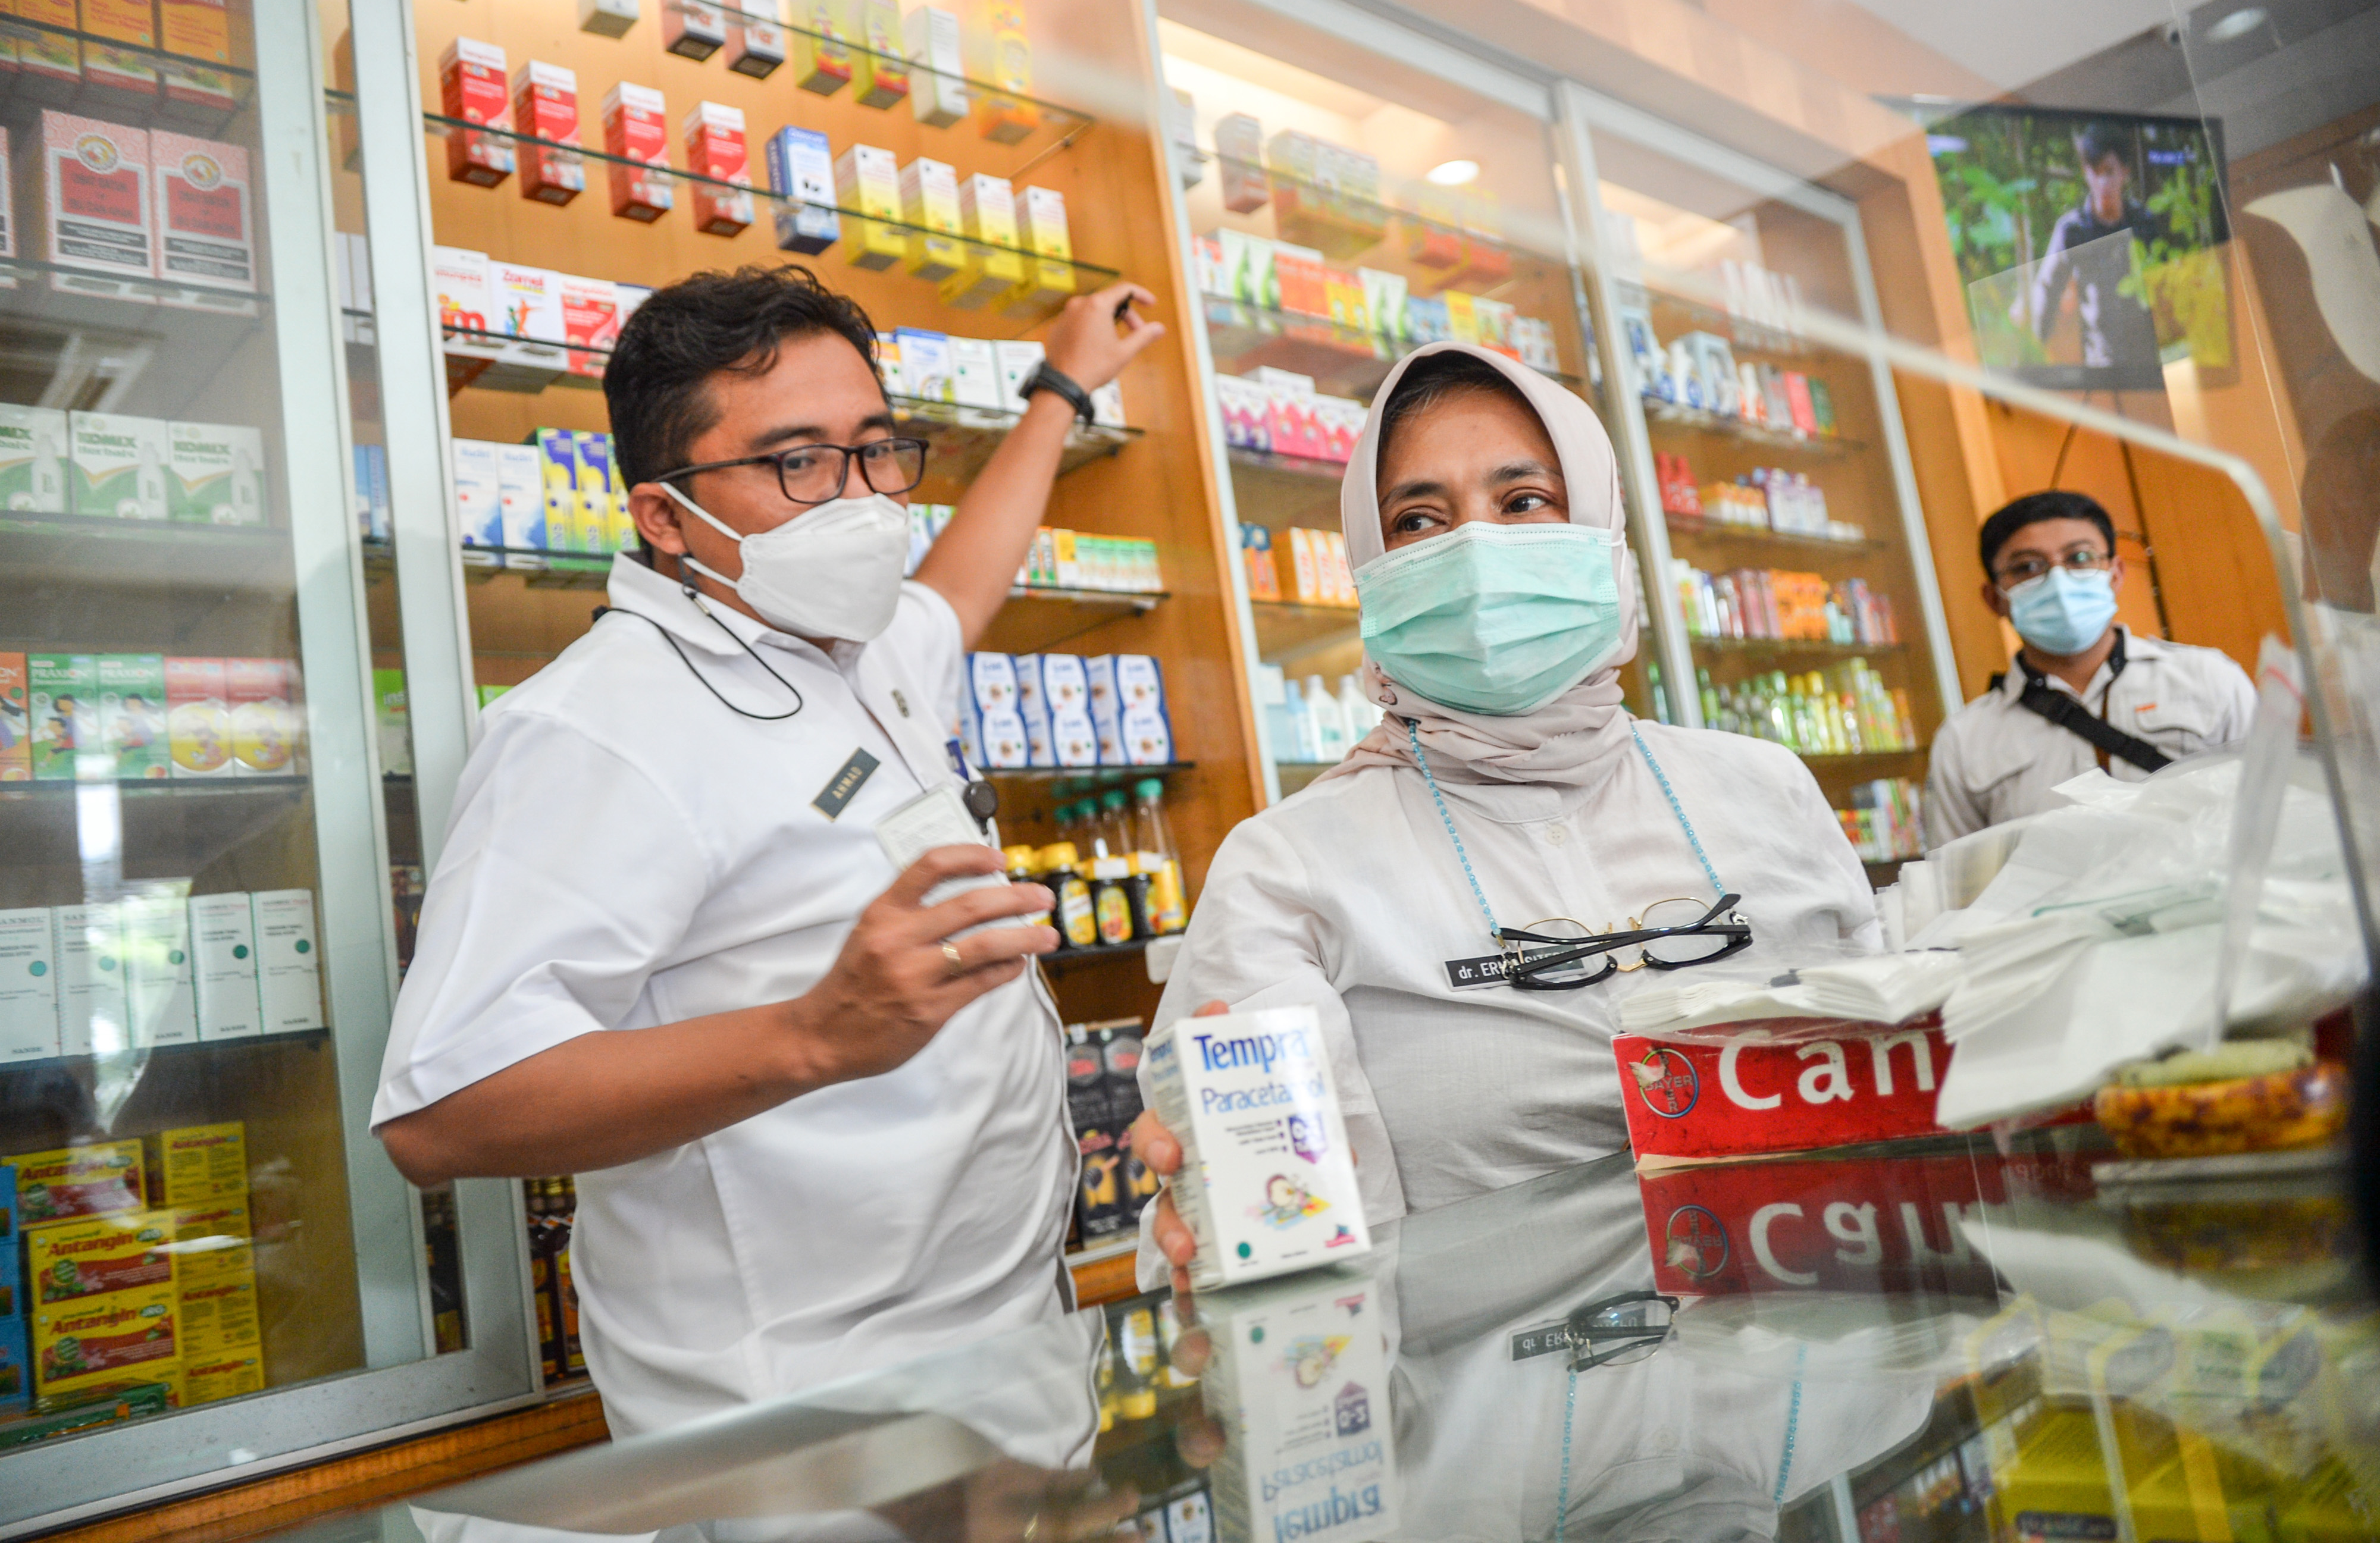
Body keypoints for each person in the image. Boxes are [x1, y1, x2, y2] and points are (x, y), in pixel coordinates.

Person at [372, 264, 1164, 1436]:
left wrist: (1058, 388)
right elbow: (441, 1110)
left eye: (874, 449)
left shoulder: (854, 640)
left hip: (1013, 1354)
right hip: (803, 1424)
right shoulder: (591, 727)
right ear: (660, 513)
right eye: (796, 462)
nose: (858, 499)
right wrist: (813, 1031)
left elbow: (960, 585)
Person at [1128, 344, 1879, 1287]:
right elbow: (1266, 1272)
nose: (1475, 549)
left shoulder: (1764, 790)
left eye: (1524, 502)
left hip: (1831, 1387)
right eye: (1418, 520)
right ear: (1370, 566)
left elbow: (1913, 1092)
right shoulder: (1287, 866)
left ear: (1602, 531)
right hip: (1477, 1421)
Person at [1925, 488, 2256, 848]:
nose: (2058, 581)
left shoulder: (2209, 679)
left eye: (2079, 558)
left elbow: (2275, 811)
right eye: (2027, 568)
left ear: (2115, 574)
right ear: (1995, 599)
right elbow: (1958, 883)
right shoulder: (1964, 742)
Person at [2019, 122, 2166, 379]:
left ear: (2124, 172)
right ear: (2086, 174)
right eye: (2095, 172)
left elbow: (2167, 286)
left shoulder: (2143, 222)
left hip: (2148, 365)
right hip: (2101, 368)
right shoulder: (2072, 230)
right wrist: (2037, 356)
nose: (2102, 181)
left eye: (2109, 171)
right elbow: (2047, 289)